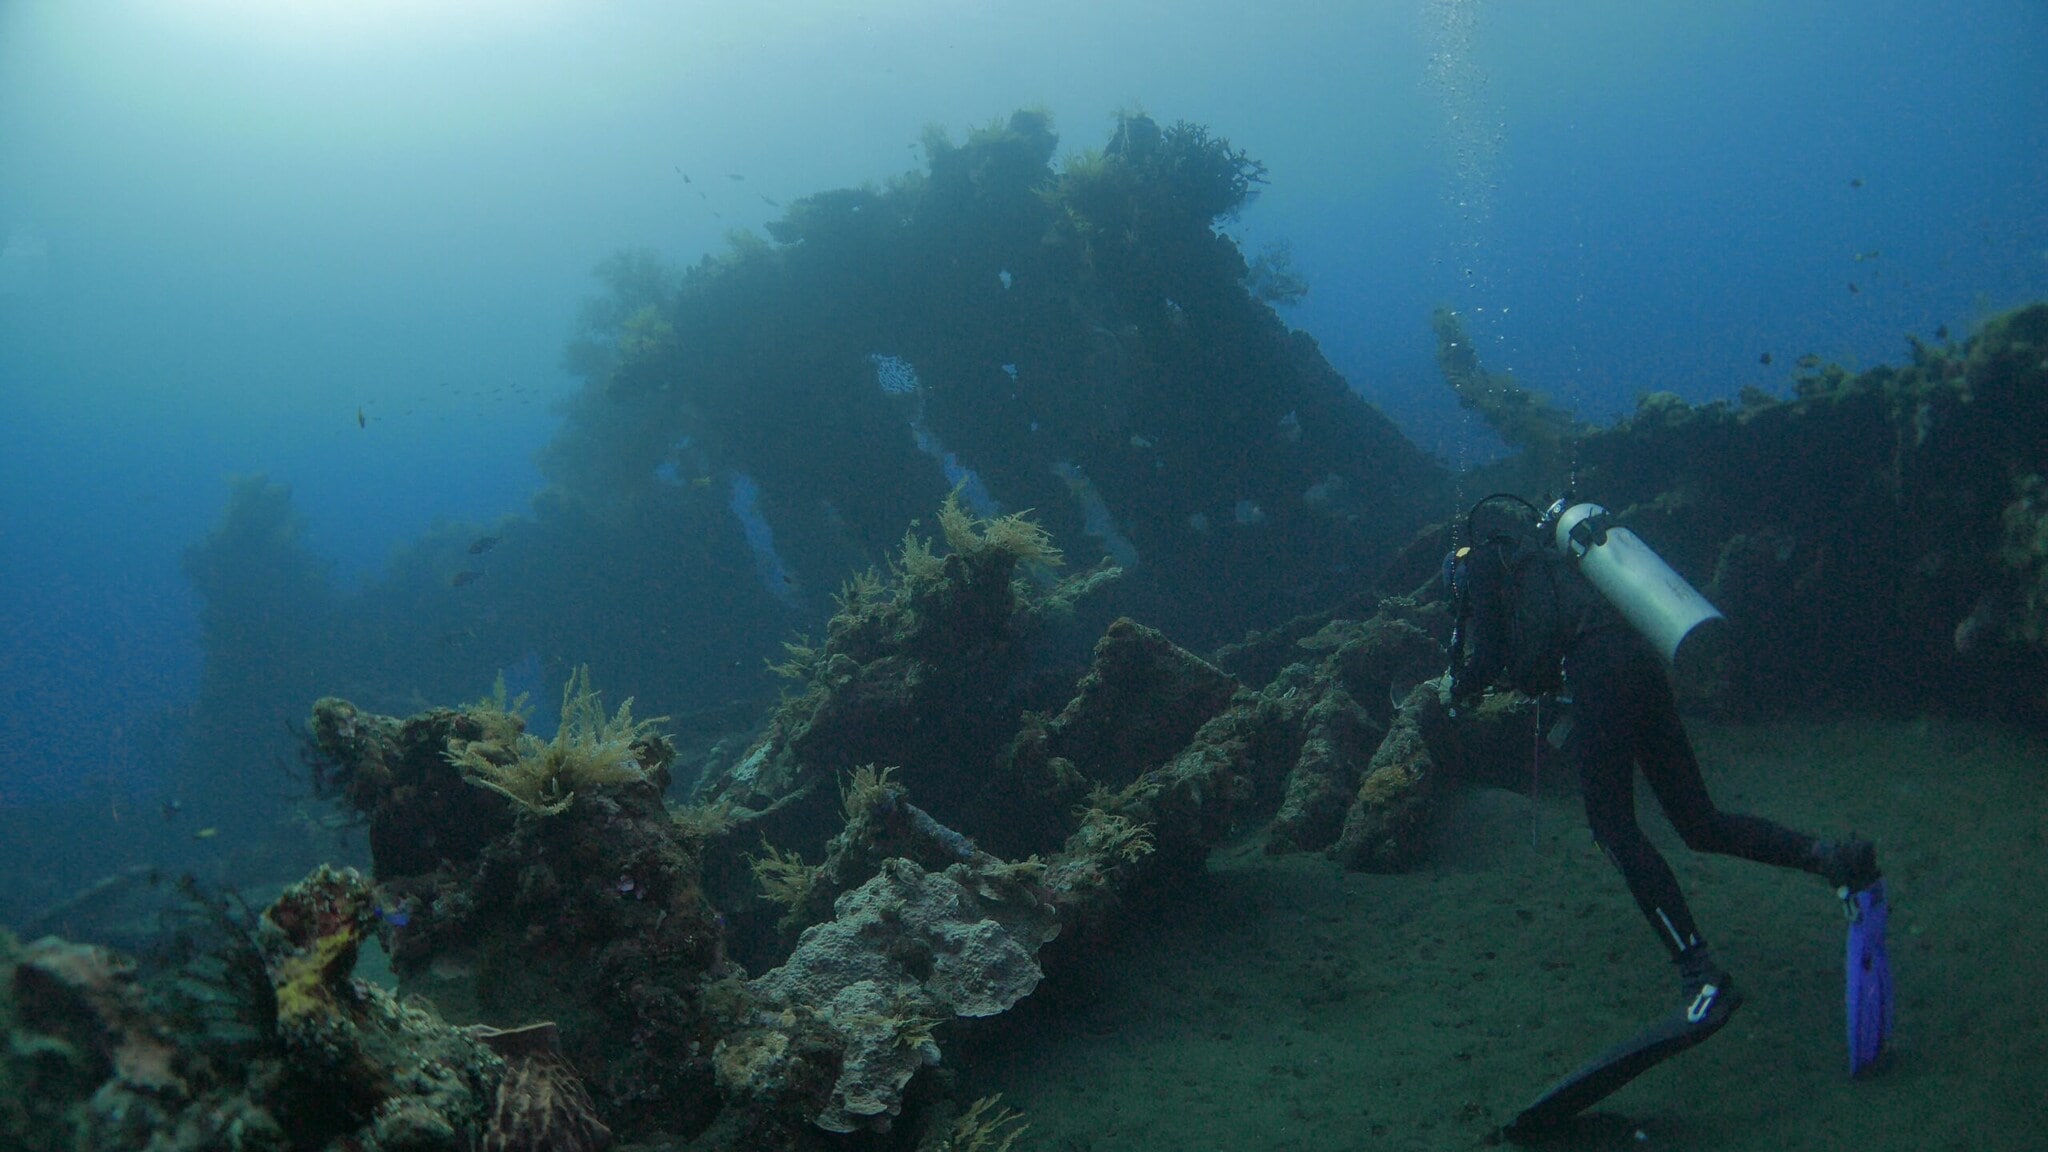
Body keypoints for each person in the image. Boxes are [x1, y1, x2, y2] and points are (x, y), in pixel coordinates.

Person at [1439, 493, 1880, 1034]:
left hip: (1598, 673)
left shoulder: (1481, 564)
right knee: (1699, 821)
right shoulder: (1550, 559)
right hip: (1640, 662)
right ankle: (1834, 858)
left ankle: (1700, 974)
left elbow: (1488, 658)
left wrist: (1456, 684)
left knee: (1613, 830)